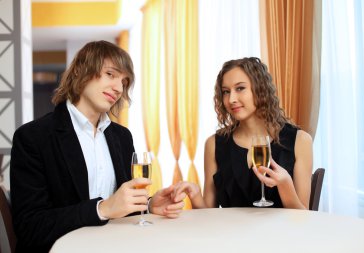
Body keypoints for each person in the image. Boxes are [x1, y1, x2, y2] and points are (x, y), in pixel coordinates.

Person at [10, 40, 185, 252]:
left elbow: (120, 207)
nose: (119, 88)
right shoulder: (33, 137)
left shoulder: (121, 137)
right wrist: (102, 208)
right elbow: (30, 227)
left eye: (124, 81)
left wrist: (148, 205)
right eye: (111, 74)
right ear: (79, 72)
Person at [172, 57, 313, 209]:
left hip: (279, 233)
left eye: (240, 88)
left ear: (260, 89)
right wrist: (195, 195)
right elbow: (209, 213)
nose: (231, 99)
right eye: (226, 92)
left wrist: (285, 186)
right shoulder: (214, 144)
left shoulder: (300, 141)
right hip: (230, 232)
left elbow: (303, 219)